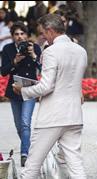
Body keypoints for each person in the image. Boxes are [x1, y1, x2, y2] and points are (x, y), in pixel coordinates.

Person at [12, 13, 92, 179]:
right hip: (74, 114)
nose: (42, 38)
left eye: (43, 33)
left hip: (52, 117)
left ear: (50, 31)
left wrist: (24, 90)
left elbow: (47, 86)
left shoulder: (51, 51)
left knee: (32, 165)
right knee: (76, 164)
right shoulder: (81, 51)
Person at [1, 21, 42, 167]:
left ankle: (25, 154)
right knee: (19, 126)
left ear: (26, 35)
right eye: (16, 34)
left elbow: (42, 68)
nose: (19, 37)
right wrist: (15, 61)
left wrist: (33, 55)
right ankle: (29, 148)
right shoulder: (7, 49)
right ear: (12, 36)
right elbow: (3, 71)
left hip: (29, 90)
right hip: (14, 90)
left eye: (22, 34)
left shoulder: (34, 47)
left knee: (25, 123)